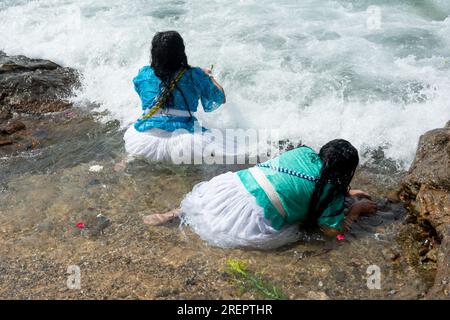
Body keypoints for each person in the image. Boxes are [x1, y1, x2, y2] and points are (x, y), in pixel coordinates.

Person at [142, 139, 377, 250]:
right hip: (250, 216)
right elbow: (332, 232)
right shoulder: (331, 194)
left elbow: (304, 180)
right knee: (300, 235)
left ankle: (173, 213)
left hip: (230, 188)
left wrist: (344, 192)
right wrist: (355, 210)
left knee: (201, 203)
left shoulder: (303, 152)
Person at [124, 31, 226, 162]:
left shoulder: (144, 74)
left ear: (154, 52)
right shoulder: (195, 74)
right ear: (181, 52)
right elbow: (220, 98)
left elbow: (144, 94)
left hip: (142, 142)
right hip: (186, 145)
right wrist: (208, 76)